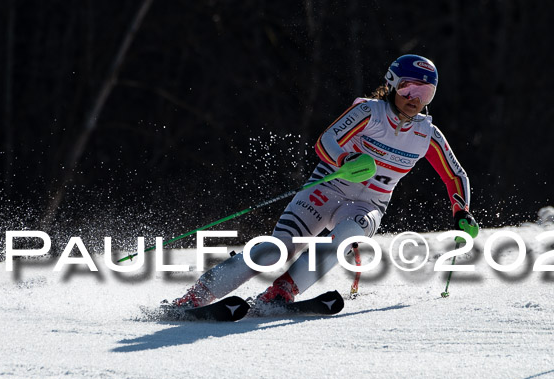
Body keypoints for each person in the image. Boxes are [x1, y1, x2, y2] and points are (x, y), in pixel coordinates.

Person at [171, 54, 478, 309]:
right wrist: (344, 161)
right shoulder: (369, 112)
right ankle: (197, 296)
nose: (416, 100)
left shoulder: (427, 135)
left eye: (425, 94)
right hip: (325, 190)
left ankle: (282, 292)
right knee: (279, 249)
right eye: (410, 89)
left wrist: (461, 210)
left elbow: (456, 174)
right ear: (393, 84)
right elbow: (326, 141)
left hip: (369, 204)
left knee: (344, 236)